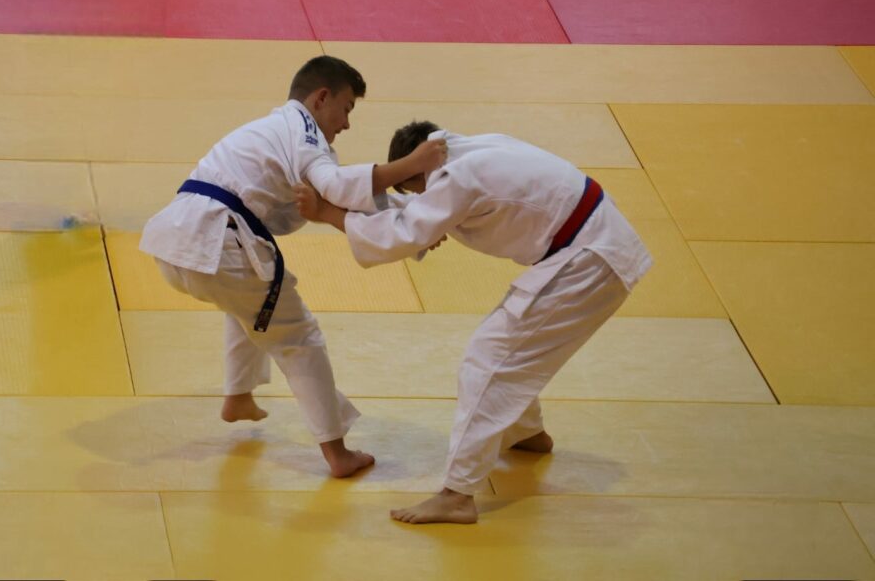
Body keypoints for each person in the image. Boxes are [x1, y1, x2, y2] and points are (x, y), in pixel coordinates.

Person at [295, 121, 652, 519]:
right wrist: (401, 216)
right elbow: (414, 215)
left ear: (419, 169)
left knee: (489, 358)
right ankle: (526, 433)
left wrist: (327, 212)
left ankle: (457, 495)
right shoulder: (470, 151)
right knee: (514, 347)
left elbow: (400, 234)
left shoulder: (457, 179)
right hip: (593, 243)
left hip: (588, 259)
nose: (421, 198)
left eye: (415, 189)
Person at [139, 58, 447, 479]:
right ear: (321, 98)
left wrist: (415, 218)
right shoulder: (304, 131)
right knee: (300, 338)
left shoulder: (276, 132)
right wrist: (409, 167)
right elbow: (337, 188)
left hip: (176, 242)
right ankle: (337, 453)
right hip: (217, 242)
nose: (346, 123)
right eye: (346, 108)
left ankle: (238, 394)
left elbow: (332, 199)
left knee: (251, 304)